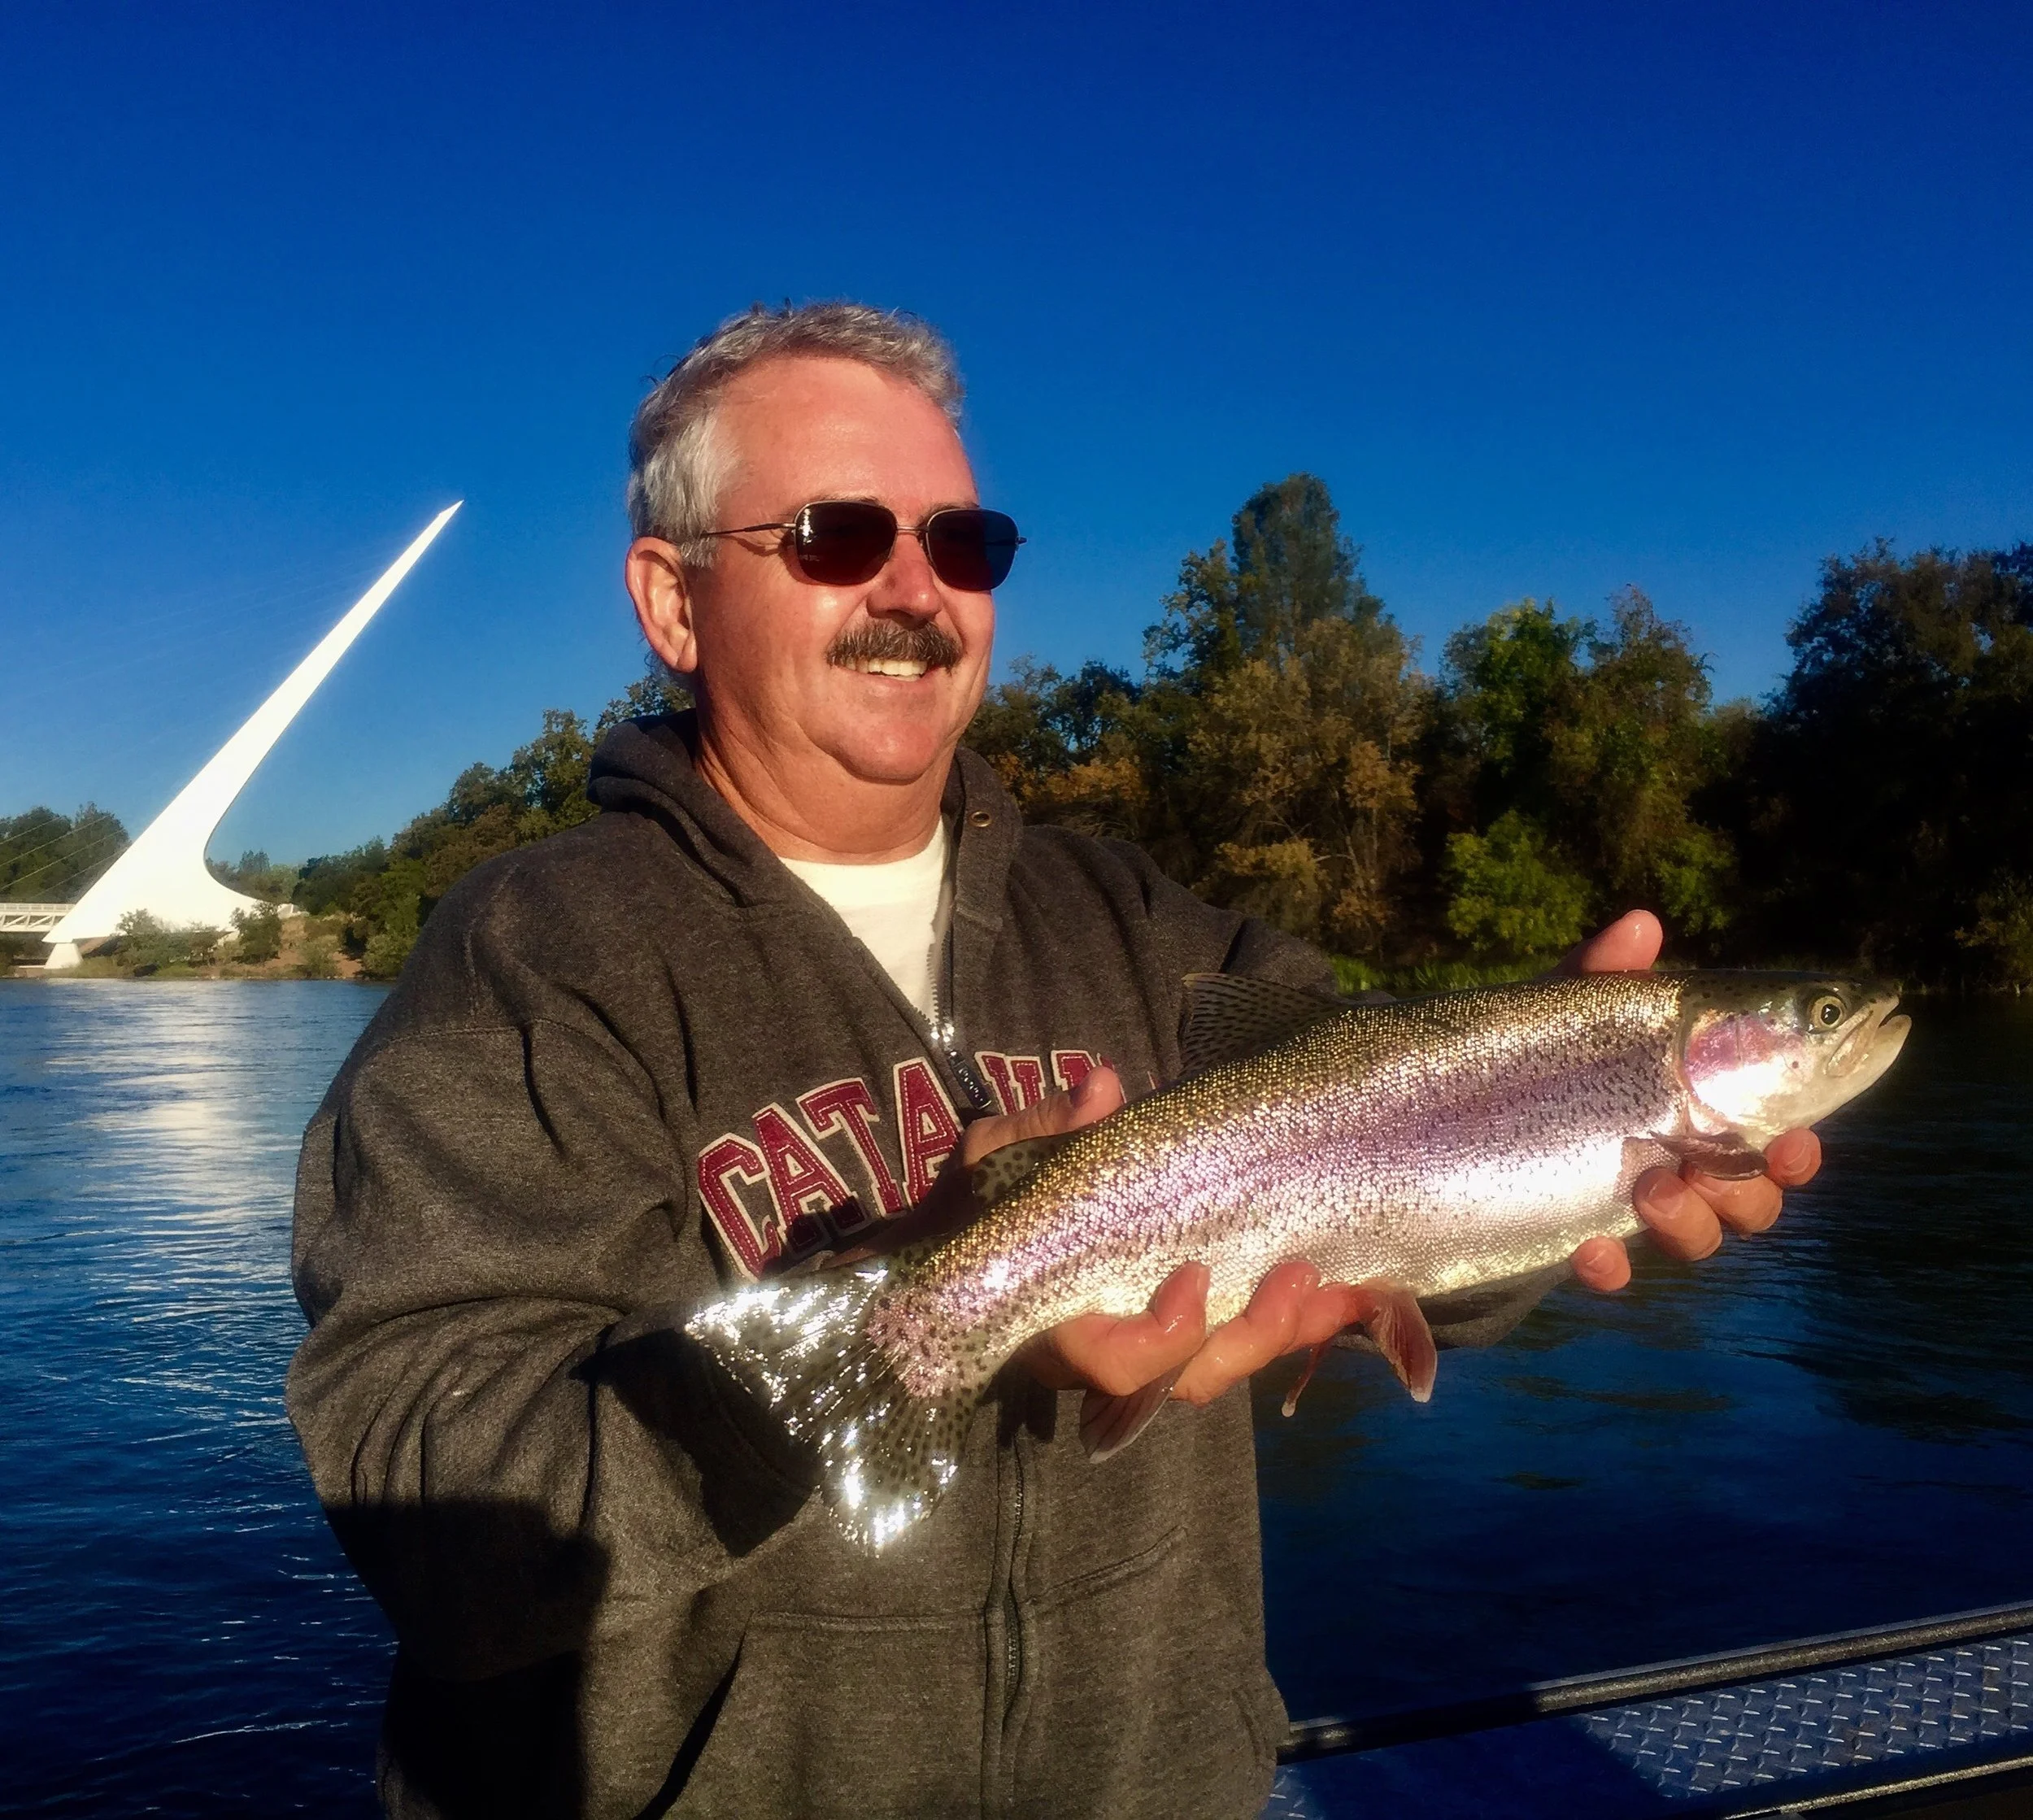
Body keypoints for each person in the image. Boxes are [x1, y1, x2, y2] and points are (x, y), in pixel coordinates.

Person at [287, 303, 1822, 1820]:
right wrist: (904, 1317)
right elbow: (431, 1507)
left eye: (964, 544)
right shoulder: (537, 954)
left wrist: (1563, 1125)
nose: (916, 588)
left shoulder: (1141, 920)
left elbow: (1390, 1212)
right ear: (674, 602)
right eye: (835, 536)